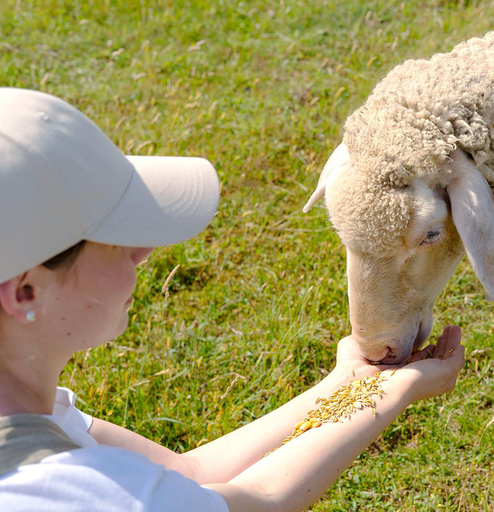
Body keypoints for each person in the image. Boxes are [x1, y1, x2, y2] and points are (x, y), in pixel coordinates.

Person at [0, 88, 466, 511]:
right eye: (112, 239)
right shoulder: (68, 493)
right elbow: (257, 502)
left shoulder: (36, 415)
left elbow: (189, 476)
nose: (142, 251)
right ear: (25, 292)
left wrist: (346, 381)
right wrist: (396, 390)